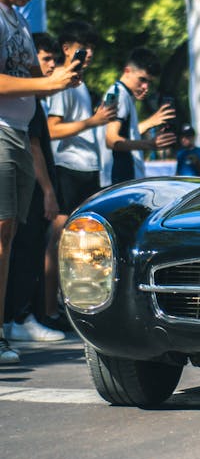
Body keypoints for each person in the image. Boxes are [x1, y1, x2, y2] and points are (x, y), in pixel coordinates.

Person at [0, 0, 79, 363]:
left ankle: (6, 326)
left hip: (17, 132)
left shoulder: (17, 20)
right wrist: (48, 84)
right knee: (1, 235)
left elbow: (30, 73)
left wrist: (64, 75)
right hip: (0, 132)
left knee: (9, 237)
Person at [45, 20, 116, 329]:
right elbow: (52, 129)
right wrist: (93, 121)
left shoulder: (81, 84)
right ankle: (48, 310)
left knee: (84, 244)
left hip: (87, 169)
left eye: (92, 50)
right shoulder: (63, 84)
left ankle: (73, 306)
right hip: (68, 169)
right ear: (66, 49)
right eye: (84, 49)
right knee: (59, 242)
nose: (89, 55)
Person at [4, 32, 65, 342]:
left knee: (20, 246)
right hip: (31, 180)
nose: (50, 65)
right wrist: (49, 190)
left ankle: (18, 317)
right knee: (22, 248)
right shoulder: (27, 100)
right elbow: (35, 145)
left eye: (54, 60)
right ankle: (18, 317)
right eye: (45, 59)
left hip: (30, 178)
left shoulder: (33, 101)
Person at [100, 47, 177, 186]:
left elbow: (127, 134)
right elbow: (111, 139)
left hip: (124, 180)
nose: (145, 86)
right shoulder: (117, 94)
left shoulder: (125, 95)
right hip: (118, 180)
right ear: (127, 71)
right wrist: (150, 144)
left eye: (149, 82)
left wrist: (151, 122)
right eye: (142, 80)